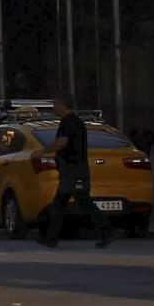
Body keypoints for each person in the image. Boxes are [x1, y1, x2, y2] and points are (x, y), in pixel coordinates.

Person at [36, 95, 110, 249]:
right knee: (61, 202)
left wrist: (43, 151)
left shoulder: (70, 122)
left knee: (82, 201)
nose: (53, 107)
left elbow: (62, 142)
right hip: (72, 169)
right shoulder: (72, 121)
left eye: (55, 104)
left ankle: (106, 231)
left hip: (73, 169)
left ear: (63, 105)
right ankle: (51, 238)